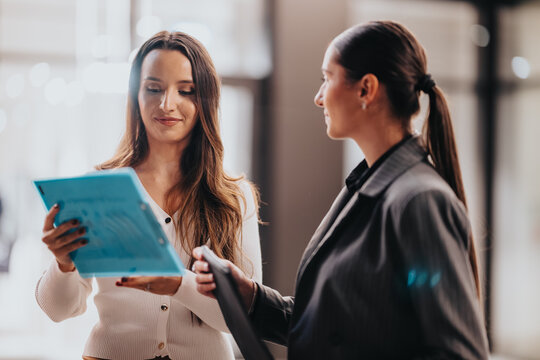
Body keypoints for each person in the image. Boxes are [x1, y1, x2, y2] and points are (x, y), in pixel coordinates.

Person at [193, 20, 489, 359]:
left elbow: (457, 353)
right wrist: (251, 298)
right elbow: (333, 330)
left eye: (327, 78)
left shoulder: (419, 201)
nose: (319, 98)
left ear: (366, 89)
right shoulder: (365, 188)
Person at [35, 31, 262, 360]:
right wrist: (62, 265)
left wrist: (178, 284)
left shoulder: (234, 197)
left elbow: (245, 317)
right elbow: (57, 310)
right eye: (153, 88)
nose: (167, 104)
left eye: (186, 91)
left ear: (206, 100)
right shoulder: (98, 187)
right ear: (136, 96)